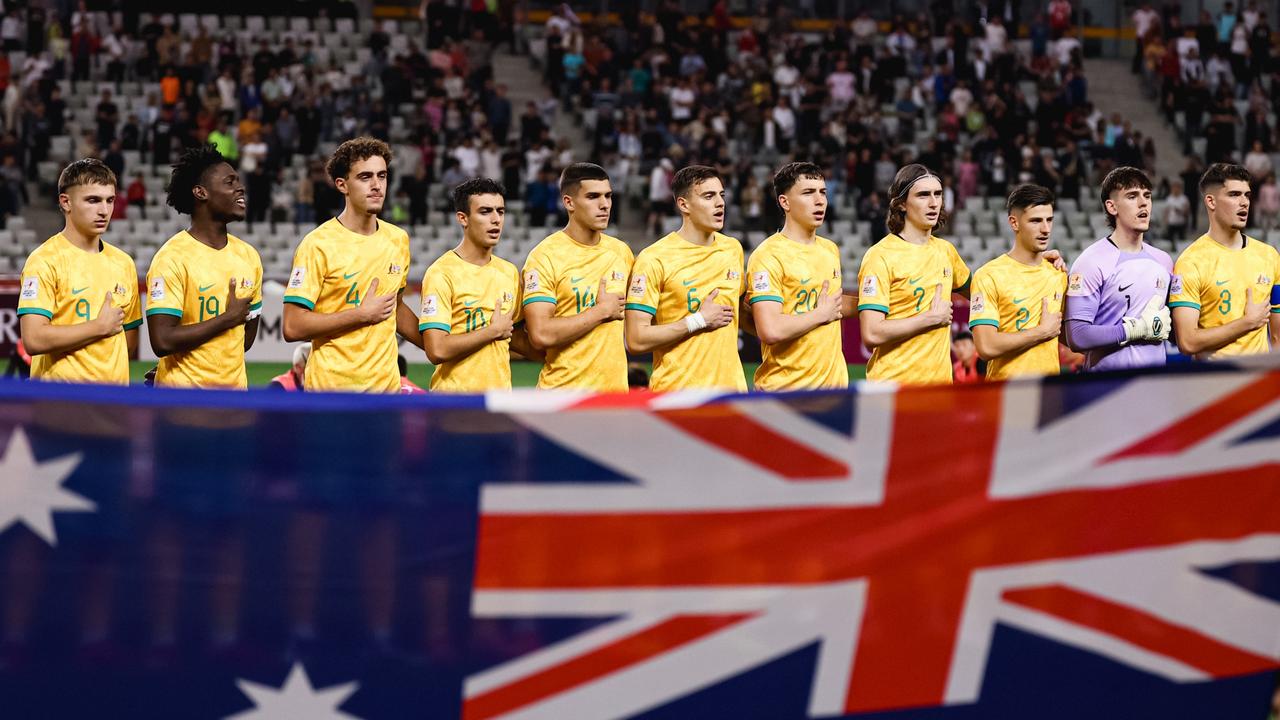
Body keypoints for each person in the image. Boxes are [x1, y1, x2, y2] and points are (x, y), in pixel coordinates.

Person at [282, 137, 423, 392]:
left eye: (382, 176)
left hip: (386, 394)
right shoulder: (318, 244)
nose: (377, 185)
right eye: (365, 177)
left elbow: (396, 307)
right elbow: (293, 326)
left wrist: (437, 344)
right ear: (342, 185)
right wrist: (360, 314)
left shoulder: (398, 239)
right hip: (332, 395)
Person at [145, 144, 262, 389]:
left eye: (238, 181)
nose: (240, 188)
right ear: (201, 192)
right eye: (229, 182)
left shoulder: (249, 256)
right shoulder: (172, 258)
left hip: (234, 403)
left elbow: (244, 339)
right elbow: (162, 341)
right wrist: (227, 318)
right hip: (181, 407)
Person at [17, 158, 141, 384]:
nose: (104, 210)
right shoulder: (44, 260)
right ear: (66, 202)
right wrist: (98, 327)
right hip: (59, 405)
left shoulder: (124, 263)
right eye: (93, 200)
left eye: (110, 200)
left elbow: (129, 342)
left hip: (112, 404)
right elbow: (33, 339)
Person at [625, 165, 746, 392]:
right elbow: (636, 338)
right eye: (708, 196)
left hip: (732, 395)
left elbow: (740, 310)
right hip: (676, 395)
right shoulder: (654, 259)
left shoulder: (733, 249)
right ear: (683, 204)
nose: (720, 203)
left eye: (721, 195)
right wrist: (698, 320)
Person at [521, 162, 633, 391]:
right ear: (569, 202)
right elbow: (540, 334)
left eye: (608, 196)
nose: (604, 205)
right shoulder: (544, 256)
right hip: (563, 398)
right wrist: (600, 312)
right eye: (593, 197)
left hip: (614, 399)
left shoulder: (621, 252)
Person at [419, 178, 537, 392]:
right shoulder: (442, 273)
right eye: (485, 212)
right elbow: (436, 349)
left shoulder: (509, 271)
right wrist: (491, 331)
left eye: (500, 211)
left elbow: (516, 336)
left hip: (499, 403)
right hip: (454, 404)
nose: (496, 220)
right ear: (463, 218)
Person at [856, 164, 969, 385]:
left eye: (938, 194)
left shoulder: (946, 251)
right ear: (901, 205)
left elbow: (987, 292)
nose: (934, 203)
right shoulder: (880, 256)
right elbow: (871, 334)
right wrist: (931, 318)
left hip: (939, 392)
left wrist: (1034, 260)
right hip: (893, 390)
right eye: (923, 195)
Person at [746, 161, 851, 390]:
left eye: (822, 192)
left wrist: (886, 301)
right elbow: (770, 329)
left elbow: (835, 305)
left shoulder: (830, 249)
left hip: (834, 394)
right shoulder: (767, 255)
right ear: (785, 202)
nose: (819, 200)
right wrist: (820, 314)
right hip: (787, 394)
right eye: (808, 193)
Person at [1064, 166, 1173, 370]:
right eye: (1132, 196)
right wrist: (1133, 330)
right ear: (1112, 207)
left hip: (1154, 387)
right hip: (1105, 389)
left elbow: (1171, 330)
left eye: (1147, 196)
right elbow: (1077, 336)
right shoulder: (1090, 262)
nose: (1143, 203)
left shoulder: (1164, 261)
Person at [1169, 162, 1280, 357]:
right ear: (1211, 202)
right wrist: (1247, 323)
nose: (1244, 202)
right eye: (1234, 194)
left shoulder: (1269, 255)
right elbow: (1187, 342)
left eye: (1247, 194)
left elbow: (1278, 336)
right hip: (1214, 385)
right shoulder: (1191, 262)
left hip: (1259, 383)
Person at [967, 184, 1067, 380]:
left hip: (1048, 396)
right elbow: (986, 346)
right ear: (1014, 223)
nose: (1045, 229)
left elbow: (1071, 337)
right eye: (1036, 221)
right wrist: (1041, 332)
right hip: (1004, 396)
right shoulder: (988, 275)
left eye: (1049, 220)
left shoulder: (1058, 274)